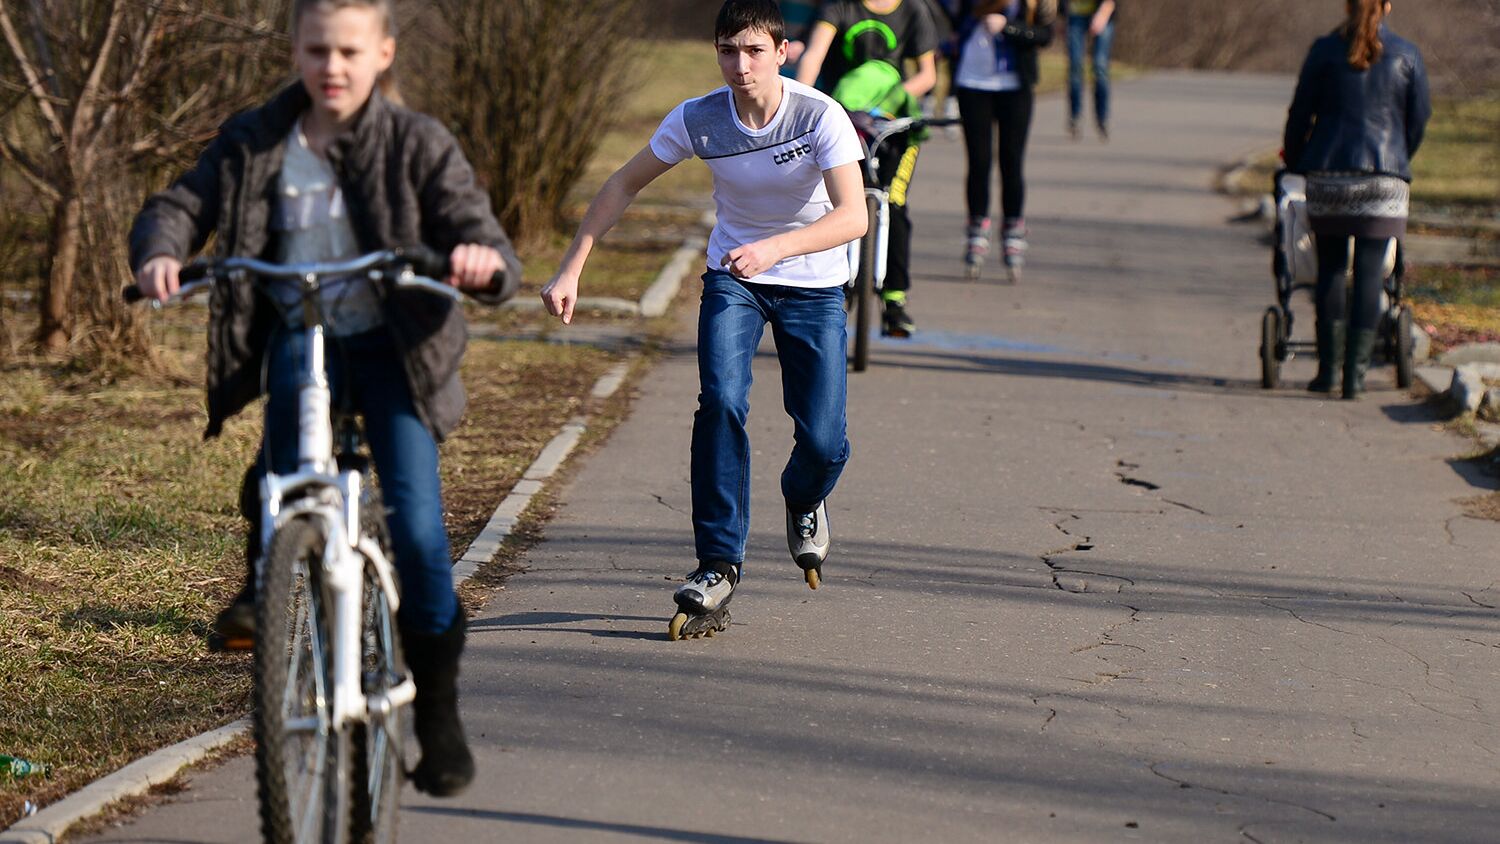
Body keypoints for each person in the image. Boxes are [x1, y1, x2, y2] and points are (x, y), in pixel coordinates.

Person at [129, 0, 519, 796]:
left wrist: (478, 258)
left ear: (381, 54)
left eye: (348, 50)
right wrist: (161, 251)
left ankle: (436, 707)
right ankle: (265, 590)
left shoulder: (415, 142)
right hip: (298, 333)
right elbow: (182, 201)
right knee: (273, 473)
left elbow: (473, 224)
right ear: (296, 53)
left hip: (394, 346)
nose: (331, 67)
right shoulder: (257, 138)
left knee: (415, 523)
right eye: (316, 50)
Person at [541, 0, 865, 640]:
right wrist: (573, 264)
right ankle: (718, 563)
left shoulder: (818, 114)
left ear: (781, 50)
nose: (739, 66)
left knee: (824, 441)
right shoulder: (699, 118)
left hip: (812, 282)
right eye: (727, 51)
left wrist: (776, 248)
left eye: (752, 51)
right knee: (719, 401)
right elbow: (622, 184)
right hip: (733, 281)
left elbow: (854, 215)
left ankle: (803, 497)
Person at [1284, 0, 1429, 399]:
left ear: (1345, 5)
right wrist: (1399, 157)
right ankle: (1356, 377)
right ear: (1388, 5)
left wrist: (1297, 160)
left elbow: (1300, 113)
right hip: (1385, 180)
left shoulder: (1323, 51)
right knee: (1370, 274)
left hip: (1330, 176)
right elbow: (1417, 119)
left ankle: (1329, 371)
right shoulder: (1407, 54)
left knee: (1331, 268)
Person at [795, 0, 938, 337]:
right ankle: (829, 290)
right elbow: (814, 55)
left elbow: (927, 74)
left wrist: (886, 102)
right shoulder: (840, 7)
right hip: (842, 121)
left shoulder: (914, 10)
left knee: (893, 201)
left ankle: (894, 299)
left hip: (894, 126)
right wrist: (800, 101)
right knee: (834, 204)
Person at [952, 0, 1055, 280]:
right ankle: (976, 229)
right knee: (979, 161)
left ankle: (1012, 230)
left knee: (1011, 161)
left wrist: (1007, 27)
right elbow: (950, 19)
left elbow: (1045, 35)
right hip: (972, 83)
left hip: (1015, 85)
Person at [1063, 0, 1115, 141]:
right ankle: (1075, 117)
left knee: (1100, 66)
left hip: (1102, 12)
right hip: (1075, 15)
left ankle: (1102, 118)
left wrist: (1103, 13)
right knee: (1075, 66)